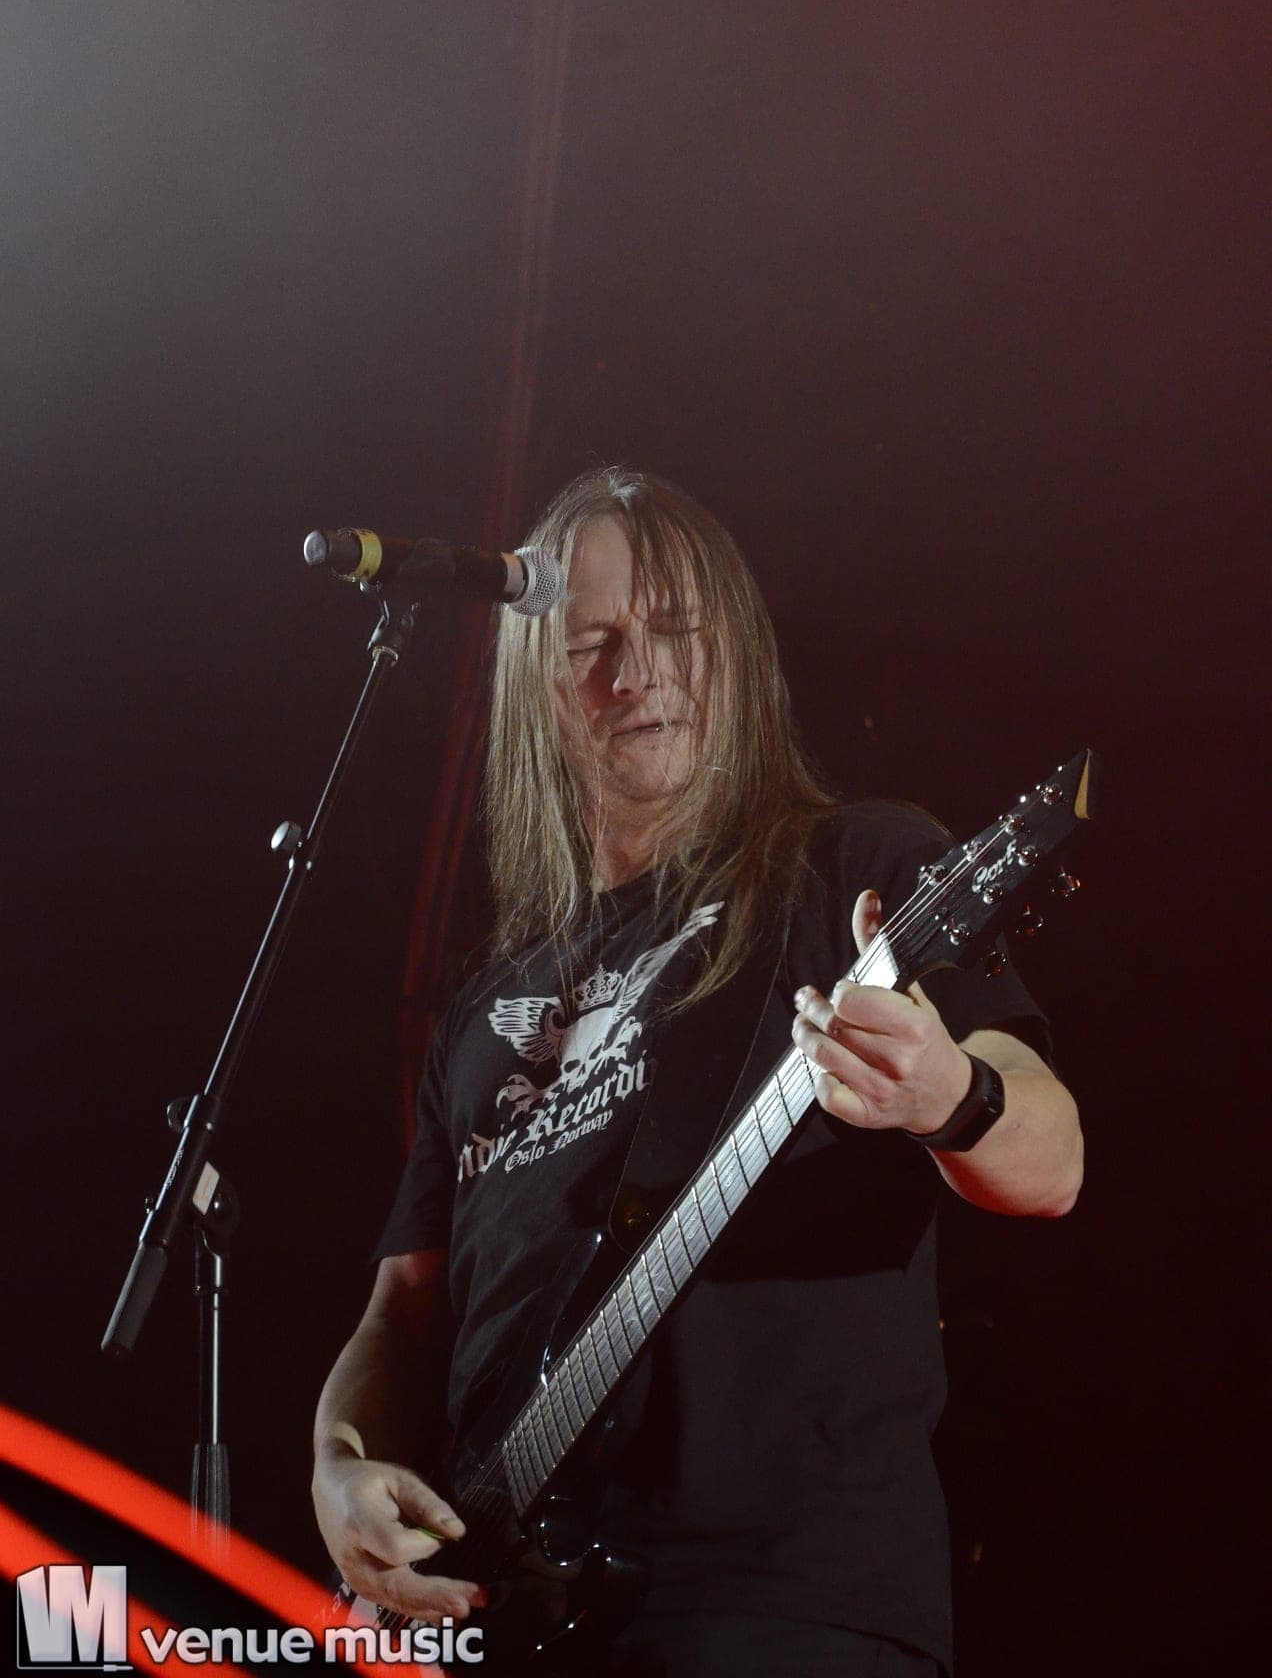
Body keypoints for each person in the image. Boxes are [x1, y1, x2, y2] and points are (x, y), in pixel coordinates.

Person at [312, 468, 1083, 1677]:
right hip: (498, 1617)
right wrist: (339, 1466)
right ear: (539, 685)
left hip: (777, 1606)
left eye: (675, 632)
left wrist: (951, 1098)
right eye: (593, 646)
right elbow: (401, 1317)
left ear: (737, 651)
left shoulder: (851, 868)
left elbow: (1053, 1160)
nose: (638, 675)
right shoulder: (485, 1006)